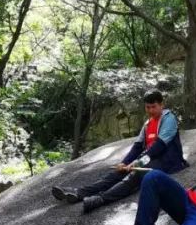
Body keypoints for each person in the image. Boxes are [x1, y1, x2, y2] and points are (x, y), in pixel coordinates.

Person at [51, 89, 187, 214]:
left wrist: (138, 162)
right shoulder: (147, 124)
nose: (150, 110)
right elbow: (138, 146)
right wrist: (124, 162)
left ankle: (101, 199)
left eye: (154, 107)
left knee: (135, 174)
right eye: (147, 107)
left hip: (167, 161)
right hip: (150, 159)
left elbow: (159, 146)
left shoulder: (169, 119)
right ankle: (79, 192)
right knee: (118, 171)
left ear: (161, 105)